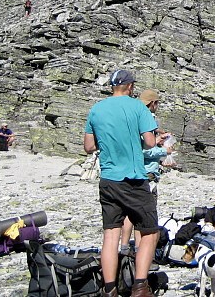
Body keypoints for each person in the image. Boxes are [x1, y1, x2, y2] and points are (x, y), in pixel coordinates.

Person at [83, 69, 158, 297]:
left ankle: (109, 289)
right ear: (130, 86)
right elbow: (150, 142)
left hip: (108, 180)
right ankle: (140, 286)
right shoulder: (137, 107)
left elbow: (88, 147)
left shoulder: (96, 109)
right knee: (149, 232)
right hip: (133, 179)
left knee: (111, 234)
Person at [120, 89, 172, 251]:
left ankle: (125, 246)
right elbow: (144, 151)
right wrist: (164, 152)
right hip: (146, 175)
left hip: (132, 171)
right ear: (153, 103)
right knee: (144, 214)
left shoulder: (133, 118)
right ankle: (140, 249)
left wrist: (157, 141)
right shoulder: (146, 118)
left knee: (130, 212)